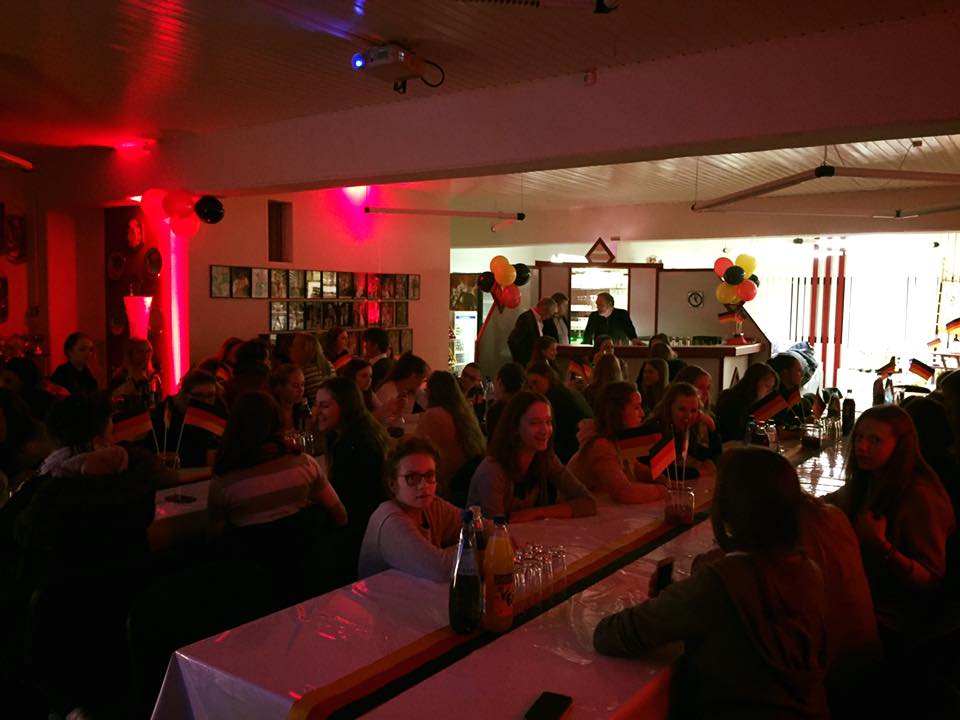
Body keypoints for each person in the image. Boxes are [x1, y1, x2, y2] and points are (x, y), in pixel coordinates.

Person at [593, 446, 829, 719]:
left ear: (729, 509)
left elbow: (613, 634)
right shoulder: (807, 570)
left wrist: (675, 599)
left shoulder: (721, 582)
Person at [823, 405, 955, 646]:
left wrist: (882, 547)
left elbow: (931, 579)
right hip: (863, 596)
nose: (862, 447)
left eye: (875, 440)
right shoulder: (872, 478)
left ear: (901, 446)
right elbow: (832, 501)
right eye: (859, 437)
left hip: (899, 619)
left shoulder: (920, 496)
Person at [209, 392, 347, 603]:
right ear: (278, 421)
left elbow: (216, 538)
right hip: (308, 581)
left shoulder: (224, 484)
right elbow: (341, 516)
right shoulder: (305, 465)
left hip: (253, 592)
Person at [467, 391, 596, 522]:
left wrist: (537, 513)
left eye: (548, 422)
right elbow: (494, 529)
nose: (544, 430)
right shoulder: (492, 470)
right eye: (534, 423)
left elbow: (588, 502)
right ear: (515, 427)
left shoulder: (545, 459)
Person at [314, 376, 390, 581]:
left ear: (346, 407)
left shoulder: (353, 444)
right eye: (316, 405)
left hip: (361, 530)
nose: (317, 412)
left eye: (324, 406)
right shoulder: (355, 433)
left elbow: (345, 502)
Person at [358, 437, 466, 581]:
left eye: (429, 475)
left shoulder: (433, 506)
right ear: (392, 484)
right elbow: (440, 568)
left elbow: (481, 528)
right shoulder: (390, 520)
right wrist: (480, 548)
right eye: (412, 478)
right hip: (381, 595)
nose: (423, 485)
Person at [567, 382, 664, 504]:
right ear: (617, 412)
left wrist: (660, 478)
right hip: (576, 510)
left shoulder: (616, 438)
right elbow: (624, 493)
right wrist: (664, 491)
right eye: (636, 407)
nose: (642, 413)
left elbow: (634, 466)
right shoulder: (600, 445)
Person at [416, 371, 487, 496]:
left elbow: (415, 448)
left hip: (449, 486)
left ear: (431, 392)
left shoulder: (433, 415)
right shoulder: (464, 413)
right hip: (469, 482)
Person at [146, 369, 224, 468]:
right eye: (199, 396)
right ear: (184, 394)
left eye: (210, 395)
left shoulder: (218, 409)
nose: (205, 401)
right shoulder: (166, 413)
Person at [642, 381, 721, 476]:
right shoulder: (656, 429)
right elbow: (661, 470)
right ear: (669, 408)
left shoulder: (683, 430)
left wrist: (711, 426)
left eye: (693, 411)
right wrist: (699, 472)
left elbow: (713, 458)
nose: (688, 416)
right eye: (682, 409)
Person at [525, 361, 593, 464]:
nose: (533, 389)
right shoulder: (564, 392)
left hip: (575, 453)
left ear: (547, 377)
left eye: (535, 382)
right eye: (530, 386)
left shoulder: (554, 400)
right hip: (585, 447)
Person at [715, 362, 778, 442]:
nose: (769, 391)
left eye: (771, 388)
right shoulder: (734, 402)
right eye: (767, 386)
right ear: (754, 382)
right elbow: (738, 437)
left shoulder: (749, 401)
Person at [670, 365, 722, 463]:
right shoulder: (676, 417)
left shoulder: (706, 415)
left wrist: (711, 426)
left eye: (708, 388)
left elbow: (715, 456)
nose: (706, 393)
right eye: (700, 388)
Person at [109, 337, 162, 413]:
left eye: (148, 351)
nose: (145, 355)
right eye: (140, 351)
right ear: (131, 354)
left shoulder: (153, 377)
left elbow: (157, 403)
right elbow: (114, 403)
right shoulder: (121, 376)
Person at [507, 297, 557, 366]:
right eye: (550, 314)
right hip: (527, 363)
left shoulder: (539, 320)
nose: (549, 317)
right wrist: (522, 363)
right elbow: (513, 341)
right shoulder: (526, 319)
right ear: (544, 310)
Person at [376, 352, 428, 417]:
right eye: (423, 379)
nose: (423, 383)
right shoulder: (386, 391)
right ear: (413, 376)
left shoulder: (413, 391)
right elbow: (388, 420)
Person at [222, 339, 271, 407]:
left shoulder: (226, 387)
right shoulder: (269, 384)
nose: (269, 362)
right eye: (267, 359)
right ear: (259, 362)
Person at [769, 352, 812, 426]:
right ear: (785, 373)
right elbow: (781, 423)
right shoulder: (776, 395)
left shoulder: (792, 391)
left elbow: (798, 412)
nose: (802, 374)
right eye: (798, 371)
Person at [485, 362, 525, 440]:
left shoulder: (495, 411)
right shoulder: (527, 407)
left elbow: (493, 442)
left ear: (500, 383)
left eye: (495, 382)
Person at [290, 332, 332, 403]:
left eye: (293, 346)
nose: (290, 349)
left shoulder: (302, 373)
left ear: (303, 351)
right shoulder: (330, 366)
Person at [268, 363, 309, 432]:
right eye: (295, 386)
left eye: (302, 384)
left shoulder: (302, 409)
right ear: (280, 387)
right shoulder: (271, 412)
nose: (301, 390)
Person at [457, 362, 486, 427]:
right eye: (465, 375)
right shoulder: (452, 389)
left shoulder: (478, 395)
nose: (466, 379)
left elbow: (478, 419)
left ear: (478, 381)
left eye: (472, 378)